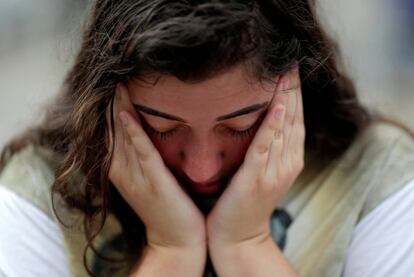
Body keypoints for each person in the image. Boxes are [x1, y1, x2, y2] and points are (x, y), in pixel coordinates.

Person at [1, 0, 414, 276]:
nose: (202, 168)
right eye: (162, 128)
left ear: (298, 83)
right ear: (106, 100)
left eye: (241, 126)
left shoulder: (377, 176)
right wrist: (172, 252)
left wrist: (246, 244)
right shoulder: (41, 192)